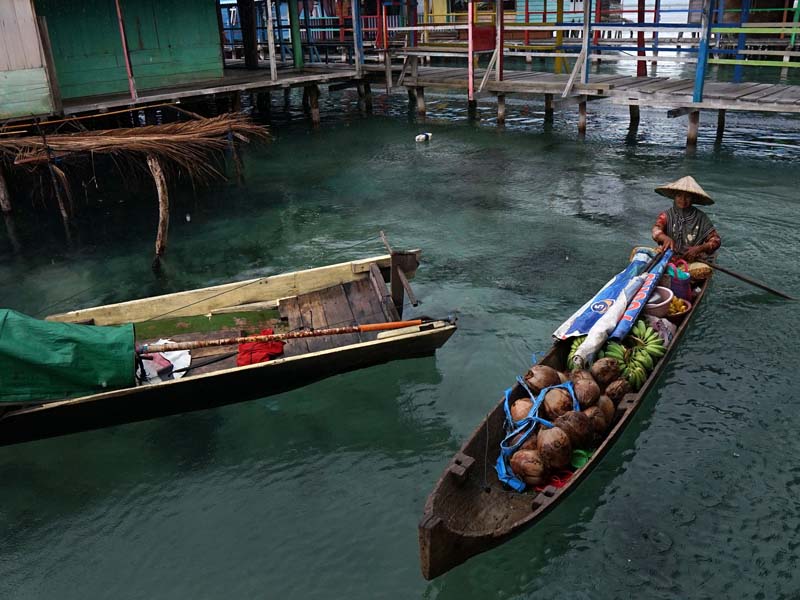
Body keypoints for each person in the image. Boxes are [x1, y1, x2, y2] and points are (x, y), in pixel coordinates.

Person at [651, 175, 721, 262]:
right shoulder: (666, 215)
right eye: (679, 196)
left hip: (694, 259)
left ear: (693, 198)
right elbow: (655, 230)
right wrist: (665, 238)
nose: (683, 200)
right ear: (674, 196)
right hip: (669, 256)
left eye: (687, 197)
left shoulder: (701, 218)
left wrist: (699, 248)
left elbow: (716, 240)